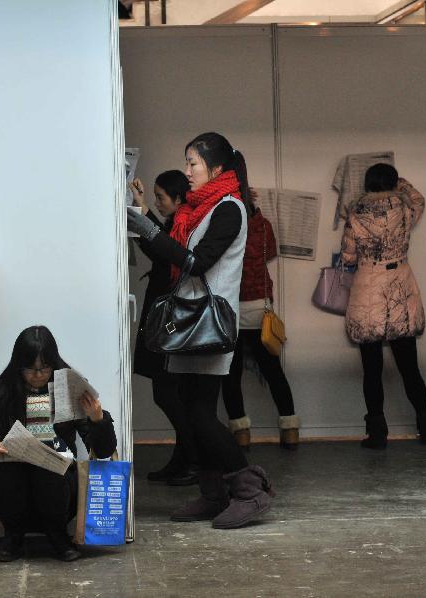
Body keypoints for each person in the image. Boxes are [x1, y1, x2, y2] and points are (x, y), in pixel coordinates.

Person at [127, 132, 275, 529]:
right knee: (195, 415)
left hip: (208, 323)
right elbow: (174, 250)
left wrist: (144, 226)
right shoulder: (199, 208)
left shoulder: (229, 208)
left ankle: (250, 490)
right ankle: (214, 494)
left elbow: (196, 262)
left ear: (217, 169)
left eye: (193, 163)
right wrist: (146, 223)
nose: (188, 171)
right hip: (189, 322)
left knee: (202, 417)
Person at [0, 326, 117, 562]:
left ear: (53, 364)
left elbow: (104, 451)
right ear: (18, 366)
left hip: (59, 487)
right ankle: (13, 535)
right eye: (30, 370)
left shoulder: (70, 386)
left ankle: (57, 534)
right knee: (10, 469)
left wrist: (98, 420)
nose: (38, 375)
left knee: (49, 467)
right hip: (13, 484)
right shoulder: (4, 390)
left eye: (44, 368)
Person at [341, 163, 426, 448]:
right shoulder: (405, 208)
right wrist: (402, 183)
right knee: (410, 366)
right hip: (400, 286)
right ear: (392, 183)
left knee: (371, 370)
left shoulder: (356, 212)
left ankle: (376, 434)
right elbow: (419, 199)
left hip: (368, 288)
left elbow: (348, 257)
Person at [130, 171, 199, 484]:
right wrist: (142, 207)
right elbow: (159, 249)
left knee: (170, 393)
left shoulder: (186, 224)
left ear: (178, 198)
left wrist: (143, 212)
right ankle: (184, 458)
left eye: (161, 197)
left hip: (172, 320)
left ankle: (194, 457)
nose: (159, 202)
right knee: (170, 393)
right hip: (164, 316)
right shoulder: (177, 222)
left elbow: (165, 247)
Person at [220, 201, 300, 450]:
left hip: (231, 305)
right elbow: (271, 253)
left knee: (231, 375)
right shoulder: (262, 227)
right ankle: (290, 430)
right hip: (258, 306)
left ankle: (241, 434)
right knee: (273, 370)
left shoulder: (225, 226)